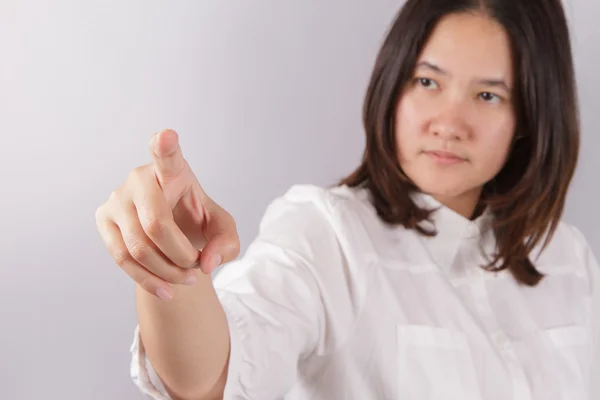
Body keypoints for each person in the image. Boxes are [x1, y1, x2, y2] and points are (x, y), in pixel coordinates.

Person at [95, 0, 600, 399]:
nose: (447, 123)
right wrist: (172, 261)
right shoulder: (327, 233)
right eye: (427, 82)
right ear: (392, 84)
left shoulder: (567, 256)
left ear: (530, 119)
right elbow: (212, 379)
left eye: (487, 95)